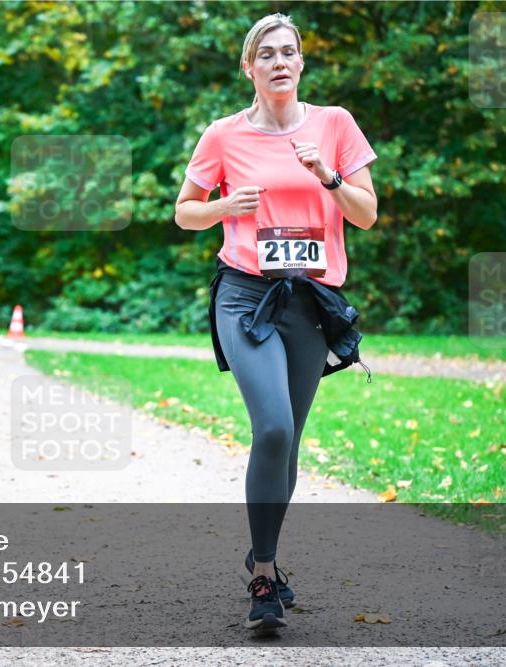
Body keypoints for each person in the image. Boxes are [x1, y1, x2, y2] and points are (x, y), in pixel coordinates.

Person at [174, 13, 378, 631]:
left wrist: (329, 177)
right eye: (267, 54)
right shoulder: (223, 135)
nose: (280, 62)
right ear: (249, 67)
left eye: (290, 52)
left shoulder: (335, 124)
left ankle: (266, 556)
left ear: (302, 63)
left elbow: (366, 214)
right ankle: (264, 574)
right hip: (245, 296)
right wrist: (220, 207)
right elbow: (184, 212)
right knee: (271, 429)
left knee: (288, 438)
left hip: (310, 303)